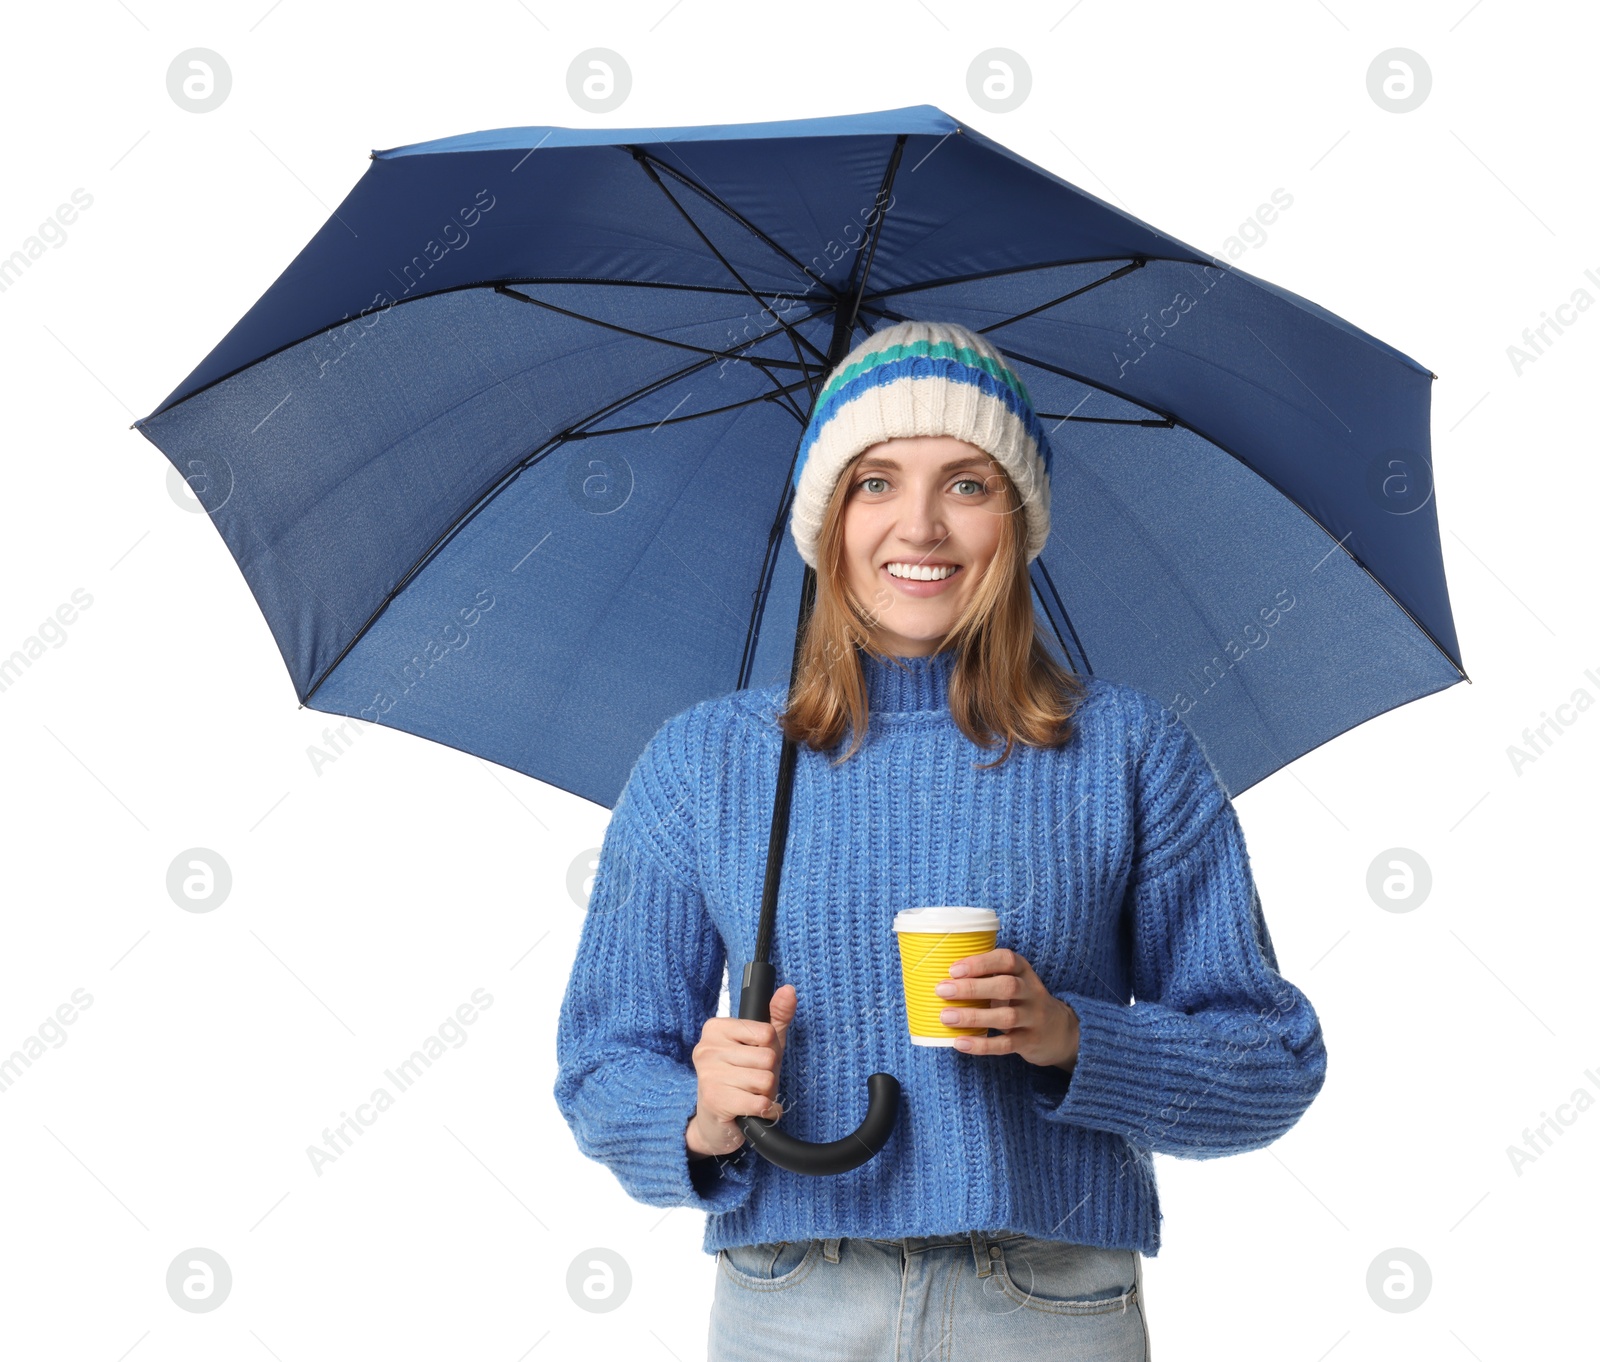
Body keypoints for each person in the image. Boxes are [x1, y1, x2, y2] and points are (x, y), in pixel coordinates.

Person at [554, 319, 1328, 1360]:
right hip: (791, 1303)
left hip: (1048, 1305)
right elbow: (602, 1063)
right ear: (825, 518)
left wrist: (1069, 1038)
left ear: (1017, 520)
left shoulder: (1128, 751)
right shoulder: (710, 759)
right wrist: (699, 1113)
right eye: (874, 482)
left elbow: (1270, 1062)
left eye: (966, 484)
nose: (917, 526)